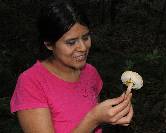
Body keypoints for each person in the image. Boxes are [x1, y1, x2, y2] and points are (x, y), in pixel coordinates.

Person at [10, 0, 133, 133]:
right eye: (71, 42)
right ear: (49, 44)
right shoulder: (31, 82)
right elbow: (93, 119)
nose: (83, 47)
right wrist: (94, 119)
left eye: (85, 37)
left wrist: (113, 115)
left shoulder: (90, 72)